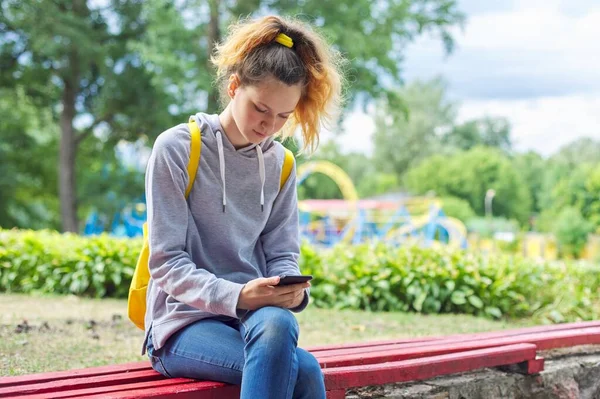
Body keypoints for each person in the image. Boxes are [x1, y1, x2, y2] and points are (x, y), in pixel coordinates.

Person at [142, 14, 344, 399]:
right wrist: (237, 296)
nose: (269, 125)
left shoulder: (281, 165)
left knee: (279, 324)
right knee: (304, 371)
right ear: (234, 87)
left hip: (255, 321)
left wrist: (291, 290)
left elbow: (282, 254)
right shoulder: (177, 149)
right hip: (181, 325)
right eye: (261, 109)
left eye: (284, 116)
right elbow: (166, 261)